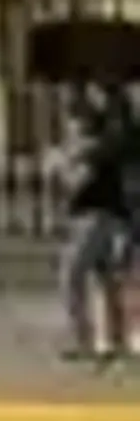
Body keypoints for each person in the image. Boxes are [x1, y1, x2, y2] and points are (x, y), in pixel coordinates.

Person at [51, 86, 133, 366]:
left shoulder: (94, 150)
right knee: (107, 279)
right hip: (100, 217)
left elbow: (76, 182)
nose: (68, 128)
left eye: (72, 122)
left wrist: (65, 162)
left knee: (71, 275)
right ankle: (116, 340)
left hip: (95, 218)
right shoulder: (96, 149)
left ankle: (83, 340)